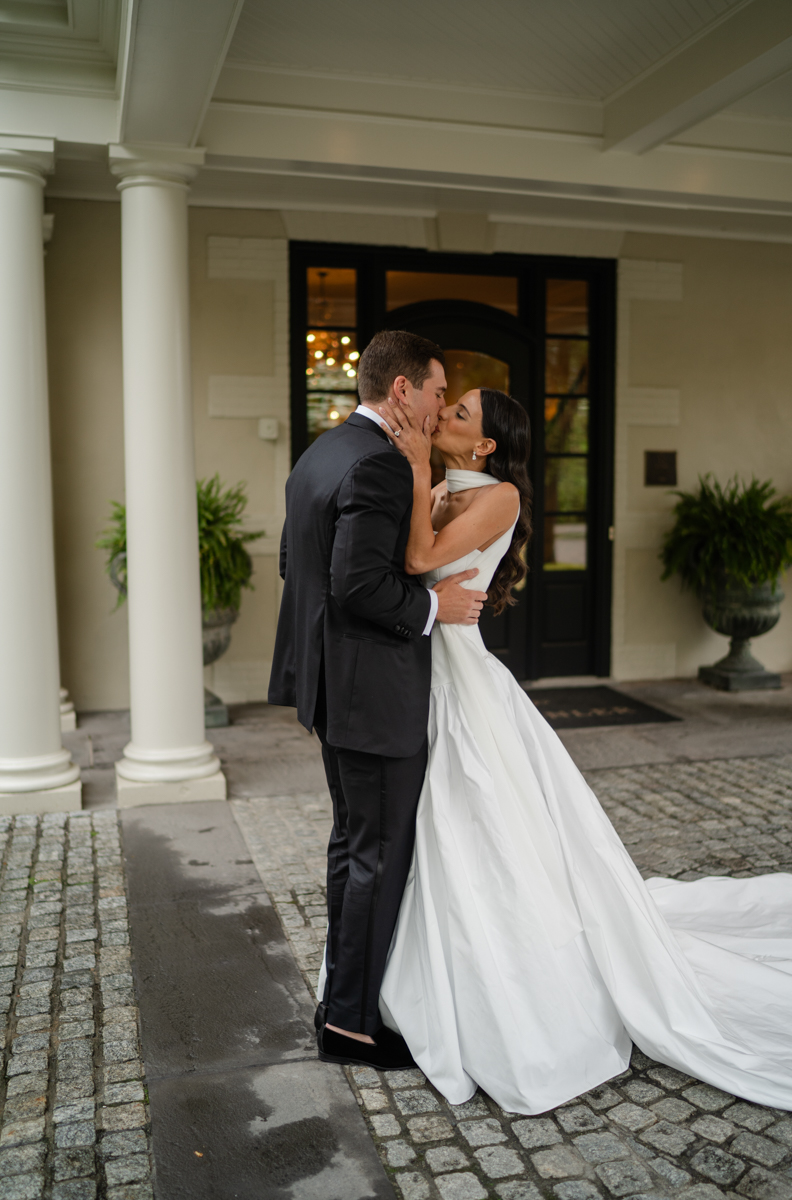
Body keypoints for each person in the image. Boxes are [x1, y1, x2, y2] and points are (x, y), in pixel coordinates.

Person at [373, 383, 792, 1115]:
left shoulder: (497, 496)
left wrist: (413, 469)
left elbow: (418, 560)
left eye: (461, 413)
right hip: (428, 671)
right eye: (450, 405)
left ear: (485, 447)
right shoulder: (446, 487)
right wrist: (420, 479)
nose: (443, 414)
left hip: (463, 677)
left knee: (477, 820)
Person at [268, 330, 488, 1071]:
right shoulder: (381, 466)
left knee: (351, 846)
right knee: (378, 855)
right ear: (402, 391)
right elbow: (356, 584)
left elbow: (294, 563)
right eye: (435, 392)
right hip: (373, 693)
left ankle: (342, 1000)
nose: (437, 407)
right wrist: (434, 611)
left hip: (332, 687)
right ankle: (352, 1029)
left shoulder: (321, 454)